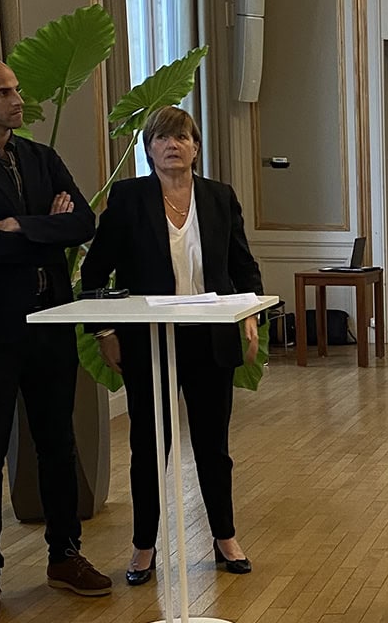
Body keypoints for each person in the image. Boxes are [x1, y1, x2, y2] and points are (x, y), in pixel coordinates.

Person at [0, 54, 112, 622]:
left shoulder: (42, 157)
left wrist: (21, 225)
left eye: (17, 89)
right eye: (3, 93)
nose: (18, 100)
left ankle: (65, 554)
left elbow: (84, 224)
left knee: (57, 442)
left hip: (50, 318)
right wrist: (46, 229)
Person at [81, 106, 263, 587]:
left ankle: (225, 537)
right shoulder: (128, 198)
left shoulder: (219, 197)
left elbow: (244, 268)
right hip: (149, 341)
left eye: (181, 137)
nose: (172, 145)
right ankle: (144, 548)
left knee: (213, 445)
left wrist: (249, 318)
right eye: (161, 138)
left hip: (211, 337)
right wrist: (104, 332)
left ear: (195, 147)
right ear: (149, 149)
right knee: (148, 446)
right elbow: (95, 274)